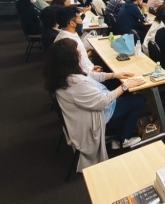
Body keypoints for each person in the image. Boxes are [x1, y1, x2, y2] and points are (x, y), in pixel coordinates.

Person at [44, 39, 147, 167]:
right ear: (69, 59)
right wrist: (125, 86)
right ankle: (123, 139)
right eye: (77, 52)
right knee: (138, 100)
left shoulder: (62, 73)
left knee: (121, 88)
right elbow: (103, 102)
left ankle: (121, 129)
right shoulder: (76, 83)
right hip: (94, 118)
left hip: (86, 110)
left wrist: (115, 75)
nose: (81, 53)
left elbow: (90, 76)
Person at [53, 6, 100, 74]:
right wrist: (92, 72)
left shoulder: (68, 34)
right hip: (82, 77)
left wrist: (91, 67)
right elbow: (74, 69)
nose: (81, 20)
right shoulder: (67, 41)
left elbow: (79, 59)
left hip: (86, 69)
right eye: (79, 18)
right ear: (72, 23)